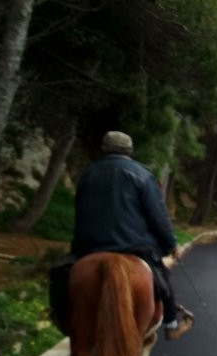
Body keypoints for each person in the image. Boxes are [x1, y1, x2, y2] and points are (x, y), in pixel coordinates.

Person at [70, 131, 194, 341]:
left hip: (89, 245)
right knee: (161, 277)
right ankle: (172, 323)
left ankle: (60, 316)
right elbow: (157, 213)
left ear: (104, 149)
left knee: (63, 276)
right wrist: (171, 244)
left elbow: (80, 208)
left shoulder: (88, 173)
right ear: (129, 151)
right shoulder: (142, 175)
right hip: (132, 245)